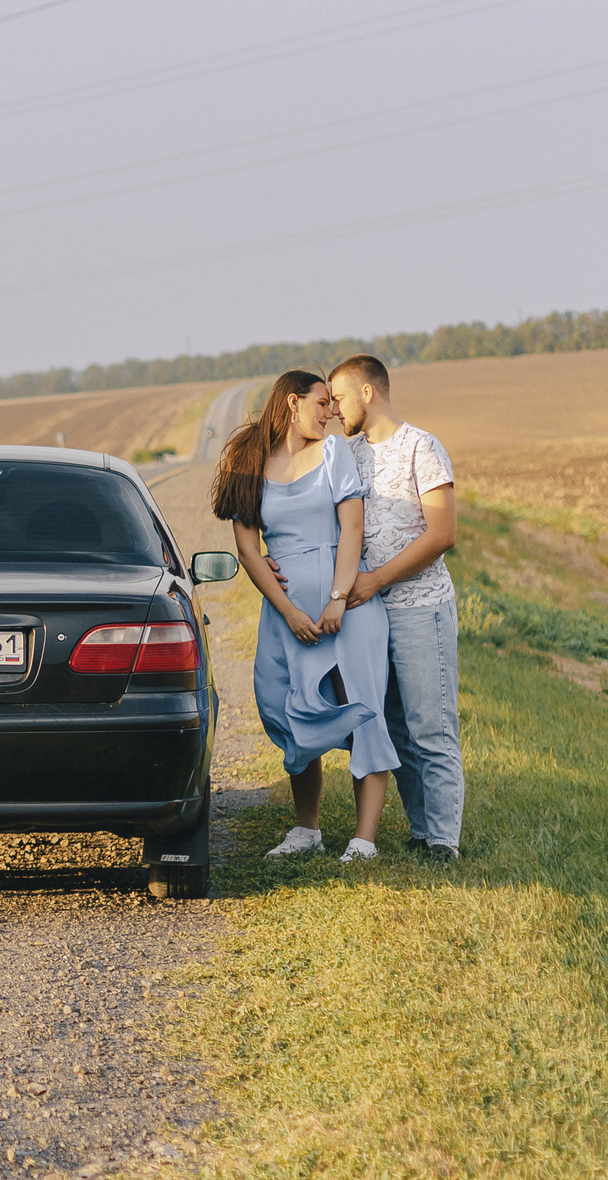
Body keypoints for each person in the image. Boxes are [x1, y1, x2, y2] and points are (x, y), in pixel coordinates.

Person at [210, 370, 399, 863]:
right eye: (322, 403)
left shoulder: (333, 454)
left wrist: (337, 598)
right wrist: (290, 611)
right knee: (293, 708)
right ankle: (306, 830)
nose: (332, 411)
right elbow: (249, 550)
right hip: (286, 613)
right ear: (292, 403)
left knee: (363, 707)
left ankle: (364, 840)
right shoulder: (247, 461)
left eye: (333, 405)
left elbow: (352, 526)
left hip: (349, 610)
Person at [328, 354, 463, 862]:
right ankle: (422, 829)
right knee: (394, 727)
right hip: (370, 616)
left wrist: (377, 580)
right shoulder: (347, 454)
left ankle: (444, 842)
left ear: (368, 392)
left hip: (420, 607)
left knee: (433, 726)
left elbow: (443, 533)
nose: (336, 409)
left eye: (339, 397)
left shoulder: (421, 447)